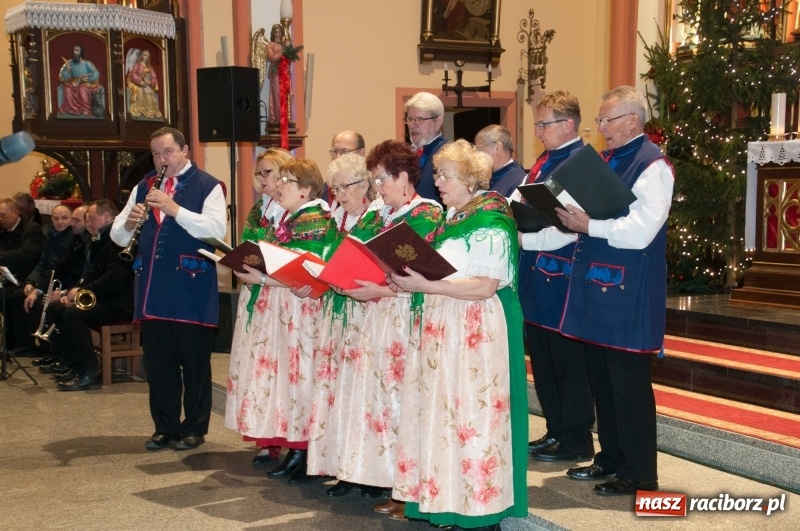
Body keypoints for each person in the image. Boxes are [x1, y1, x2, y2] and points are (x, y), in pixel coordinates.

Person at [388, 140, 528, 531]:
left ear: (469, 180)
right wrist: (406, 279)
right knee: (446, 418)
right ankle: (451, 502)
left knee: (473, 416)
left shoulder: (491, 221)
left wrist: (425, 285)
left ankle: (482, 513)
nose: (437, 181)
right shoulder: (451, 218)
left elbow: (484, 285)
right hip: (445, 328)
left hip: (474, 330)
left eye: (445, 175)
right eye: (437, 174)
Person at [556, 85, 674, 495]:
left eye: (608, 120)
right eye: (600, 120)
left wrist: (589, 225)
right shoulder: (608, 160)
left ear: (633, 120)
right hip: (598, 285)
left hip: (628, 290)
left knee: (628, 385)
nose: (601, 127)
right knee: (602, 381)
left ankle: (639, 473)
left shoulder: (652, 165)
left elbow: (641, 231)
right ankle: (610, 458)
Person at [336, 140, 443, 520]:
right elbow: (353, 251)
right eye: (374, 180)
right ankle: (386, 479)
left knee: (403, 402)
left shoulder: (427, 213)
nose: (377, 188)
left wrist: (378, 288)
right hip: (375, 318)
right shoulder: (378, 214)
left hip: (405, 316)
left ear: (402, 177)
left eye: (381, 180)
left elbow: (423, 272)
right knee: (380, 402)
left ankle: (408, 491)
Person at [111, 127, 227, 452]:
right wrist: (129, 224)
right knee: (159, 366)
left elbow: (216, 230)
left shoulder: (208, 186)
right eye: (155, 154)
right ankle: (165, 427)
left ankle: (194, 429)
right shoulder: (143, 186)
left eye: (168, 152)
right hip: (153, 289)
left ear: (185, 150)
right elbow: (117, 235)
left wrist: (174, 209)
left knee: (194, 365)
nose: (161, 159)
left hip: (191, 289)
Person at [226, 158, 334, 483]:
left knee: (300, 377)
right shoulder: (285, 216)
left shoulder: (315, 217)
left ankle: (303, 450)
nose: (279, 186)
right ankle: (293, 447)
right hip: (282, 307)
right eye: (281, 179)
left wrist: (260, 278)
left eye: (287, 181)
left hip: (300, 310)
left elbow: (307, 268)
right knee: (287, 378)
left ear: (306, 190)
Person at [512, 91, 596, 463]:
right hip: (537, 276)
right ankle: (556, 430)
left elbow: (571, 226)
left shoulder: (580, 164)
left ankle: (576, 438)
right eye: (537, 124)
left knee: (568, 364)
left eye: (543, 124)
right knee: (544, 362)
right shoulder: (543, 162)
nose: (538, 131)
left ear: (568, 124)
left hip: (563, 279)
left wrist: (525, 239)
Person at [306, 153, 385, 498]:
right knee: (339, 391)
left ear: (365, 184)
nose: (338, 195)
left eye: (344, 187)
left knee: (363, 393)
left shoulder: (379, 216)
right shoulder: (336, 218)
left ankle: (370, 474)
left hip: (364, 314)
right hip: (336, 312)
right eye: (334, 188)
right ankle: (345, 468)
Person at [224, 147, 292, 467]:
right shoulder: (258, 209)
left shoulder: (294, 209)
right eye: (259, 173)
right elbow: (248, 243)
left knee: (280, 368)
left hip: (282, 295)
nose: (262, 179)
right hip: (257, 292)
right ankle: (265, 438)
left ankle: (288, 438)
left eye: (268, 172)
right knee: (260, 369)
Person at [45, 200, 134, 391]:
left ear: (107, 217)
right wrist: (73, 291)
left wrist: (83, 291)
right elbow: (93, 273)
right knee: (57, 308)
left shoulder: (119, 238)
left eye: (91, 219)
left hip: (122, 302)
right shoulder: (101, 238)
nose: (88, 224)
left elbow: (114, 278)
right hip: (106, 296)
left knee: (73, 315)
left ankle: (89, 372)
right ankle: (74, 363)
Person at [11, 205, 74, 358]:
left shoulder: (72, 238)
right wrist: (31, 282)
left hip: (63, 283)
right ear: (51, 219)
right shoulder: (49, 236)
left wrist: (39, 290)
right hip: (47, 281)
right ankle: (26, 346)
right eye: (56, 218)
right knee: (18, 296)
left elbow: (61, 269)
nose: (60, 222)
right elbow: (42, 264)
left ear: (71, 219)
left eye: (65, 218)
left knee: (39, 303)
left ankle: (50, 350)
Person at [0, 198, 45, 353]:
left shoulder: (32, 229)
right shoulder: (3, 230)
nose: (0, 219)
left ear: (16, 213)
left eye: (3, 215)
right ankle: (8, 341)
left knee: (12, 296)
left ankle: (23, 344)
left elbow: (27, 255)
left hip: (27, 276)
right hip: (9, 276)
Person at [404, 92, 447, 204]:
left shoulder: (449, 154)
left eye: (420, 119)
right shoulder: (403, 153)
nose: (412, 125)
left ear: (437, 122)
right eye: (410, 119)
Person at [474, 125, 527, 197]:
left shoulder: (519, 182)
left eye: (479, 149)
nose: (476, 155)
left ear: (497, 148)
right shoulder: (483, 179)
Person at [58, 44, 105, 118]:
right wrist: (68, 70)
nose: (75, 52)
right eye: (74, 50)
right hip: (73, 82)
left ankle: (85, 108)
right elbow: (64, 75)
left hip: (84, 83)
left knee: (82, 89)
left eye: (77, 51)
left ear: (81, 52)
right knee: (67, 89)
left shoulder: (86, 63)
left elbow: (96, 73)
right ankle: (70, 108)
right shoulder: (70, 63)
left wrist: (89, 77)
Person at [127, 49, 163, 120]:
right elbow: (132, 74)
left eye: (148, 56)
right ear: (142, 56)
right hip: (137, 83)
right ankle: (140, 110)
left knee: (151, 93)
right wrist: (140, 82)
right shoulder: (137, 65)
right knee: (140, 91)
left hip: (146, 85)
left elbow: (154, 77)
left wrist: (151, 82)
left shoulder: (149, 67)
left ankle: (151, 111)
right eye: (145, 55)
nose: (146, 57)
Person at [266, 24, 286, 123]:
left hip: (285, 71)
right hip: (275, 71)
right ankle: (278, 117)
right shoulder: (270, 45)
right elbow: (271, 57)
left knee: (286, 93)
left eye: (279, 31)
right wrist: (282, 53)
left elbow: (290, 56)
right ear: (273, 33)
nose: (278, 34)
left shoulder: (286, 44)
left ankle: (286, 116)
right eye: (276, 32)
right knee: (277, 93)